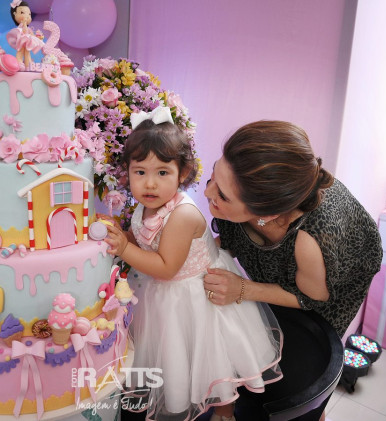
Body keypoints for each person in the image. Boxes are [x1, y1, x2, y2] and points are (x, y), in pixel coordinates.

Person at [105, 107, 283, 421]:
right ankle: (177, 394)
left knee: (212, 358)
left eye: (162, 173)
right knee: (173, 357)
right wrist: (122, 237)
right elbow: (142, 239)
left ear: (183, 173)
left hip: (197, 294)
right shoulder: (145, 205)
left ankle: (225, 411)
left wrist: (123, 248)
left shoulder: (183, 215)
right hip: (160, 291)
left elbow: (166, 267)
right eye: (140, 172)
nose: (150, 184)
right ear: (127, 172)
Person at [203, 120, 383, 421]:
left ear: (267, 213)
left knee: (301, 363)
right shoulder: (255, 192)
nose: (208, 191)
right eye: (212, 175)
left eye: (222, 195)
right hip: (295, 257)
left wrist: (243, 289)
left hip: (326, 288)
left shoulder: (311, 241)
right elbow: (232, 241)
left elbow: (309, 298)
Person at [7, 0, 44, 69]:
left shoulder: (29, 28)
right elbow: (23, 31)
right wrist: (24, 24)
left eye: (29, 14)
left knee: (27, 52)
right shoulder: (20, 27)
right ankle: (19, 63)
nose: (27, 16)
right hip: (20, 41)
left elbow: (31, 34)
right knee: (20, 51)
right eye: (22, 12)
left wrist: (37, 37)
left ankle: (28, 64)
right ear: (15, 14)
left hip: (28, 42)